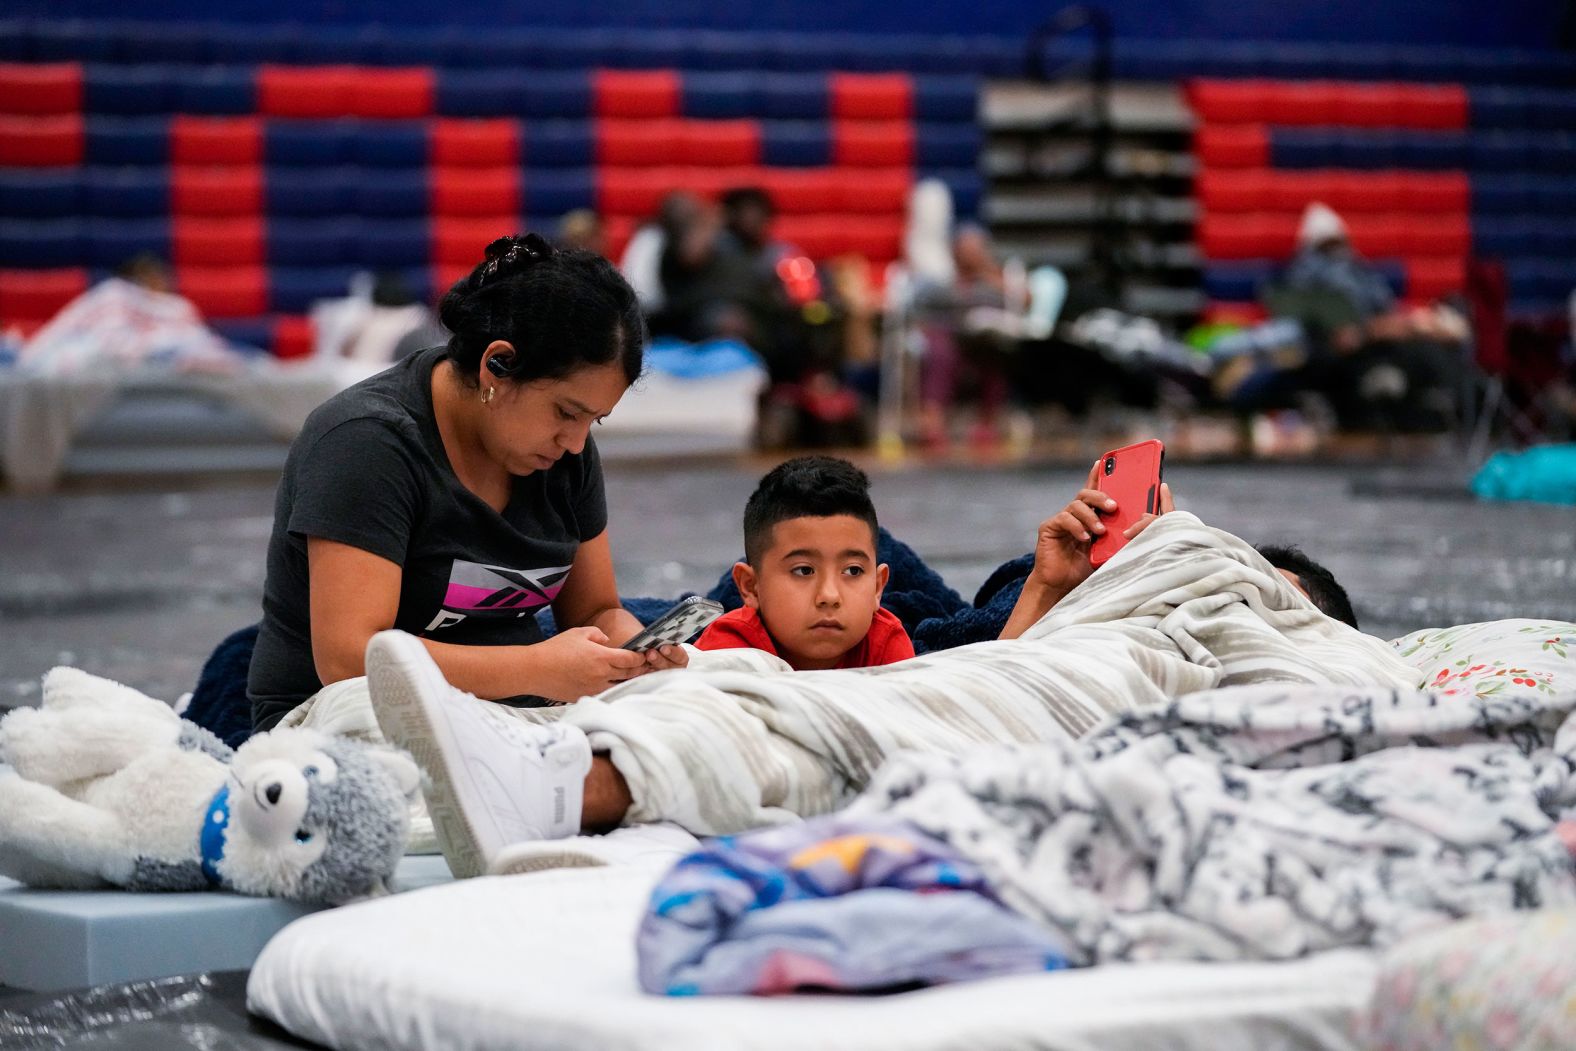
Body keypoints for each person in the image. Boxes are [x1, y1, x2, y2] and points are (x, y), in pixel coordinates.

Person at [247, 233, 687, 734]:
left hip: (513, 714)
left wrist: (634, 656)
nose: (575, 442)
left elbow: (595, 609)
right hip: (344, 723)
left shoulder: (564, 451)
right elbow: (349, 660)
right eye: (567, 412)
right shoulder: (366, 443)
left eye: (595, 421)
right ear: (496, 365)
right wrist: (538, 668)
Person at [694, 456, 915, 670]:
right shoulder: (727, 651)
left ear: (877, 588)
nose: (829, 596)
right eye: (804, 570)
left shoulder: (884, 644)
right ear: (750, 586)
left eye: (853, 570)